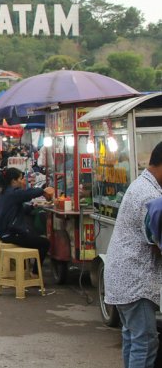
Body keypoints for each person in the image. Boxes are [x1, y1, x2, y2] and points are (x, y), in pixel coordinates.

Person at [105, 141, 162, 368]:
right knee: (145, 342)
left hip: (123, 278)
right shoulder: (149, 197)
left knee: (132, 337)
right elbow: (155, 244)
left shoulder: (141, 184)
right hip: (135, 282)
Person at [0, 168, 54, 276]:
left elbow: (16, 209)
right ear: (13, 181)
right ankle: (35, 274)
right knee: (44, 243)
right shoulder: (13, 193)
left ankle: (34, 272)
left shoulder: (5, 193)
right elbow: (28, 193)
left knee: (34, 237)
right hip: (10, 233)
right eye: (21, 178)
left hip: (5, 232)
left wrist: (32, 207)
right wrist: (43, 191)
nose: (23, 181)